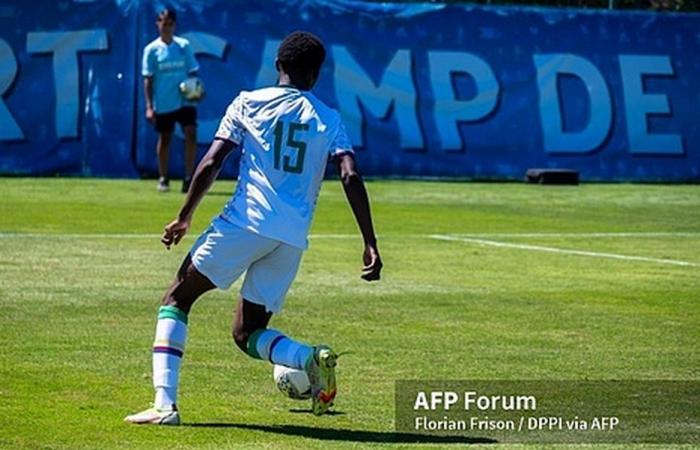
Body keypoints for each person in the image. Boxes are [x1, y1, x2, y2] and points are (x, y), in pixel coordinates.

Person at [125, 31, 383, 425]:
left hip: (245, 223)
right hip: (292, 238)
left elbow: (213, 161)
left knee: (176, 297)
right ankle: (308, 358)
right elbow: (349, 173)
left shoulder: (248, 102)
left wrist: (185, 215)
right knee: (247, 333)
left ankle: (165, 405)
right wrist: (369, 241)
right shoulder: (329, 118)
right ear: (315, 76)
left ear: (278, 65)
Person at [142, 8, 199, 193]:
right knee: (165, 138)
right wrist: (149, 106)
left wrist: (196, 90)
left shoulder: (184, 46)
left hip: (185, 101)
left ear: (175, 25)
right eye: (163, 23)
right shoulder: (151, 50)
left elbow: (192, 72)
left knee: (190, 133)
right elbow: (148, 79)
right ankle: (163, 178)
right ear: (157, 24)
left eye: (169, 24)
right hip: (164, 101)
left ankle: (189, 178)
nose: (166, 27)